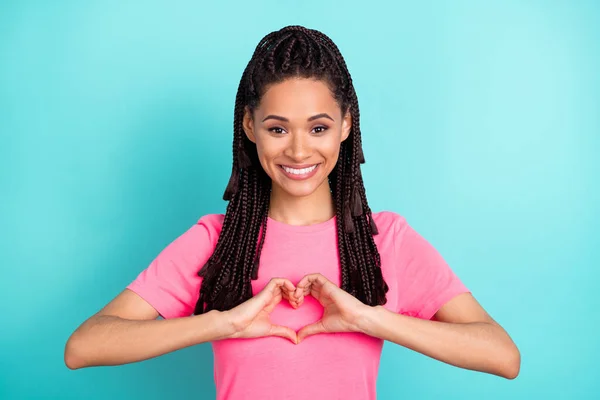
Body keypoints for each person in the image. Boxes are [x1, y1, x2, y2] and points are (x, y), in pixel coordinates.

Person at [64, 25, 520, 399]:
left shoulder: (387, 241)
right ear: (249, 126)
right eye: (278, 128)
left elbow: (503, 356)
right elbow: (84, 346)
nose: (299, 150)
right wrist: (220, 323)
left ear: (346, 125)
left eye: (318, 127)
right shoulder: (216, 241)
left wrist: (369, 318)